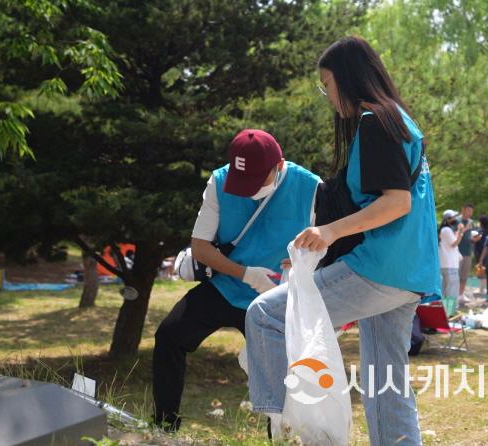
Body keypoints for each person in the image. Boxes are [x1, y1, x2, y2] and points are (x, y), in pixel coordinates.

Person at [245, 36, 440, 445]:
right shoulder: (401, 122)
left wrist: (329, 231)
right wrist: (315, 253)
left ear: (348, 79)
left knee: (265, 316)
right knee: (386, 384)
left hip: (379, 269)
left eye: (327, 85)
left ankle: (286, 429)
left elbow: (396, 203)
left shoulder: (375, 123)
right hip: (410, 273)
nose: (327, 95)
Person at [152, 130, 321, 431]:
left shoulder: (311, 188)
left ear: (279, 166)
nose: (247, 190)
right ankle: (164, 426)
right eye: (242, 180)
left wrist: (304, 264)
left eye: (257, 181)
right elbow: (201, 247)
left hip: (274, 296)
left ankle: (277, 436)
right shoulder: (219, 182)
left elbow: (328, 242)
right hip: (227, 285)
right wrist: (246, 274)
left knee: (278, 370)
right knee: (169, 335)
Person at [439, 209, 465, 304]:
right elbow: (454, 243)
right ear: (448, 219)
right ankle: (450, 311)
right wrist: (461, 232)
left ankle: (445, 311)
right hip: (450, 265)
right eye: (453, 217)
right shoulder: (446, 230)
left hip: (445, 264)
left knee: (445, 289)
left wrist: (459, 231)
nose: (455, 219)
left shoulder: (444, 230)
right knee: (452, 290)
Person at [456, 204, 477, 300]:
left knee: (464, 275)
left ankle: (461, 295)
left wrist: (475, 239)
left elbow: (471, 236)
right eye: (468, 210)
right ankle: (454, 295)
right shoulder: (457, 220)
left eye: (471, 211)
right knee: (456, 275)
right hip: (457, 252)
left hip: (468, 252)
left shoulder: (471, 222)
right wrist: (466, 229)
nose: (470, 213)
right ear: (463, 209)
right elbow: (455, 235)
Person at [473, 215, 488, 295]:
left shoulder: (480, 231)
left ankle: (482, 289)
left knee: (482, 270)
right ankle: (486, 288)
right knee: (486, 271)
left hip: (480, 253)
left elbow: (475, 239)